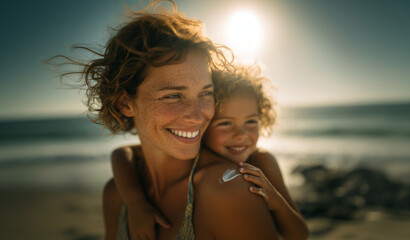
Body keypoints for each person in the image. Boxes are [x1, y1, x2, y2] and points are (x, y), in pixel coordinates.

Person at [55, 0, 284, 239]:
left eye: (205, 94)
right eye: (173, 96)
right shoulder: (116, 194)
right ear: (125, 103)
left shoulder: (227, 190)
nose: (197, 116)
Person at [112, 66, 309, 240]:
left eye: (251, 121)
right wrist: (135, 202)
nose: (241, 135)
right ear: (203, 127)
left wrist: (277, 203)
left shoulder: (262, 161)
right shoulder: (195, 153)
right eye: (225, 123)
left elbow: (299, 234)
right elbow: (123, 153)